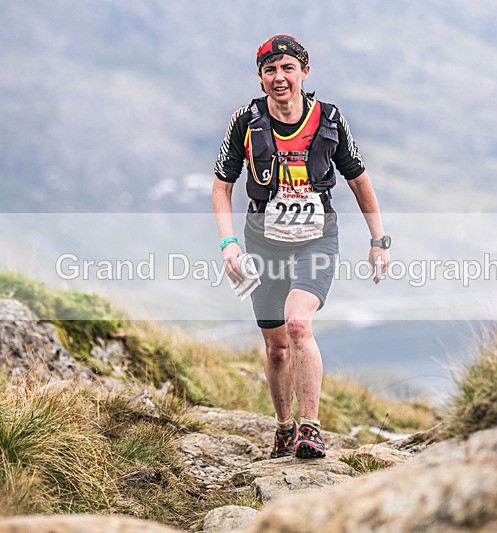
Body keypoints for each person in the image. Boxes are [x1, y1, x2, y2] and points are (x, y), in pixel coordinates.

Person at [212, 34, 391, 459]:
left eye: (288, 69)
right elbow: (222, 187)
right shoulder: (246, 122)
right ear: (260, 79)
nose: (279, 78)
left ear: (304, 73)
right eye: (270, 70)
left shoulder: (329, 118)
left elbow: (359, 180)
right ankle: (284, 427)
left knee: (297, 325)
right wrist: (229, 244)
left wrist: (378, 241)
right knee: (275, 349)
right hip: (262, 245)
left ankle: (310, 429)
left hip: (317, 239)